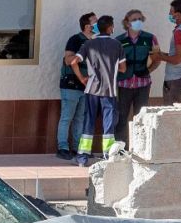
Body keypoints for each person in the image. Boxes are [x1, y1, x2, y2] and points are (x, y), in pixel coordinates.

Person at [73, 15, 126, 166]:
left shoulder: (89, 44)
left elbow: (73, 61)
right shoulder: (117, 45)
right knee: (108, 124)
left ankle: (83, 156)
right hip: (109, 90)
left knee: (88, 121)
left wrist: (82, 78)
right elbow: (123, 68)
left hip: (91, 89)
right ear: (110, 28)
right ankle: (108, 155)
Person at [115, 10, 160, 144]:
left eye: (140, 19)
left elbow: (157, 59)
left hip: (143, 85)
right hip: (124, 85)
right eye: (134, 19)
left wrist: (147, 71)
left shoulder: (150, 38)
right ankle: (120, 148)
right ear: (127, 23)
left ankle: (140, 146)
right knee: (121, 117)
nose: (138, 21)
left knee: (142, 117)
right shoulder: (119, 40)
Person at [56, 13, 97, 161]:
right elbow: (68, 60)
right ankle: (62, 148)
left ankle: (78, 148)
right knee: (67, 117)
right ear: (87, 26)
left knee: (80, 118)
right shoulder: (75, 40)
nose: (97, 25)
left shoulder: (94, 42)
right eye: (95, 22)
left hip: (86, 86)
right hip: (72, 85)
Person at [152, 0, 181, 105]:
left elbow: (178, 59)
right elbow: (180, 55)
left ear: (178, 14)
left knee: (170, 114)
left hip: (175, 79)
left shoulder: (179, 32)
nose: (169, 14)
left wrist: (160, 57)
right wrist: (162, 54)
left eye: (171, 12)